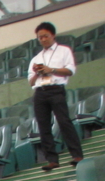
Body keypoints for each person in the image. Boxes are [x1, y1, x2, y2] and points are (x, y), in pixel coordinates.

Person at [29, 21, 83, 171]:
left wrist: (50, 69)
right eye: (40, 37)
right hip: (40, 92)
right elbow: (31, 81)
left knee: (64, 122)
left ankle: (77, 155)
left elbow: (70, 70)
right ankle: (52, 159)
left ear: (53, 35)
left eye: (45, 36)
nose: (43, 39)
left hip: (56, 90)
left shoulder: (64, 51)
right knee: (43, 126)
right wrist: (37, 72)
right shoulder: (36, 58)